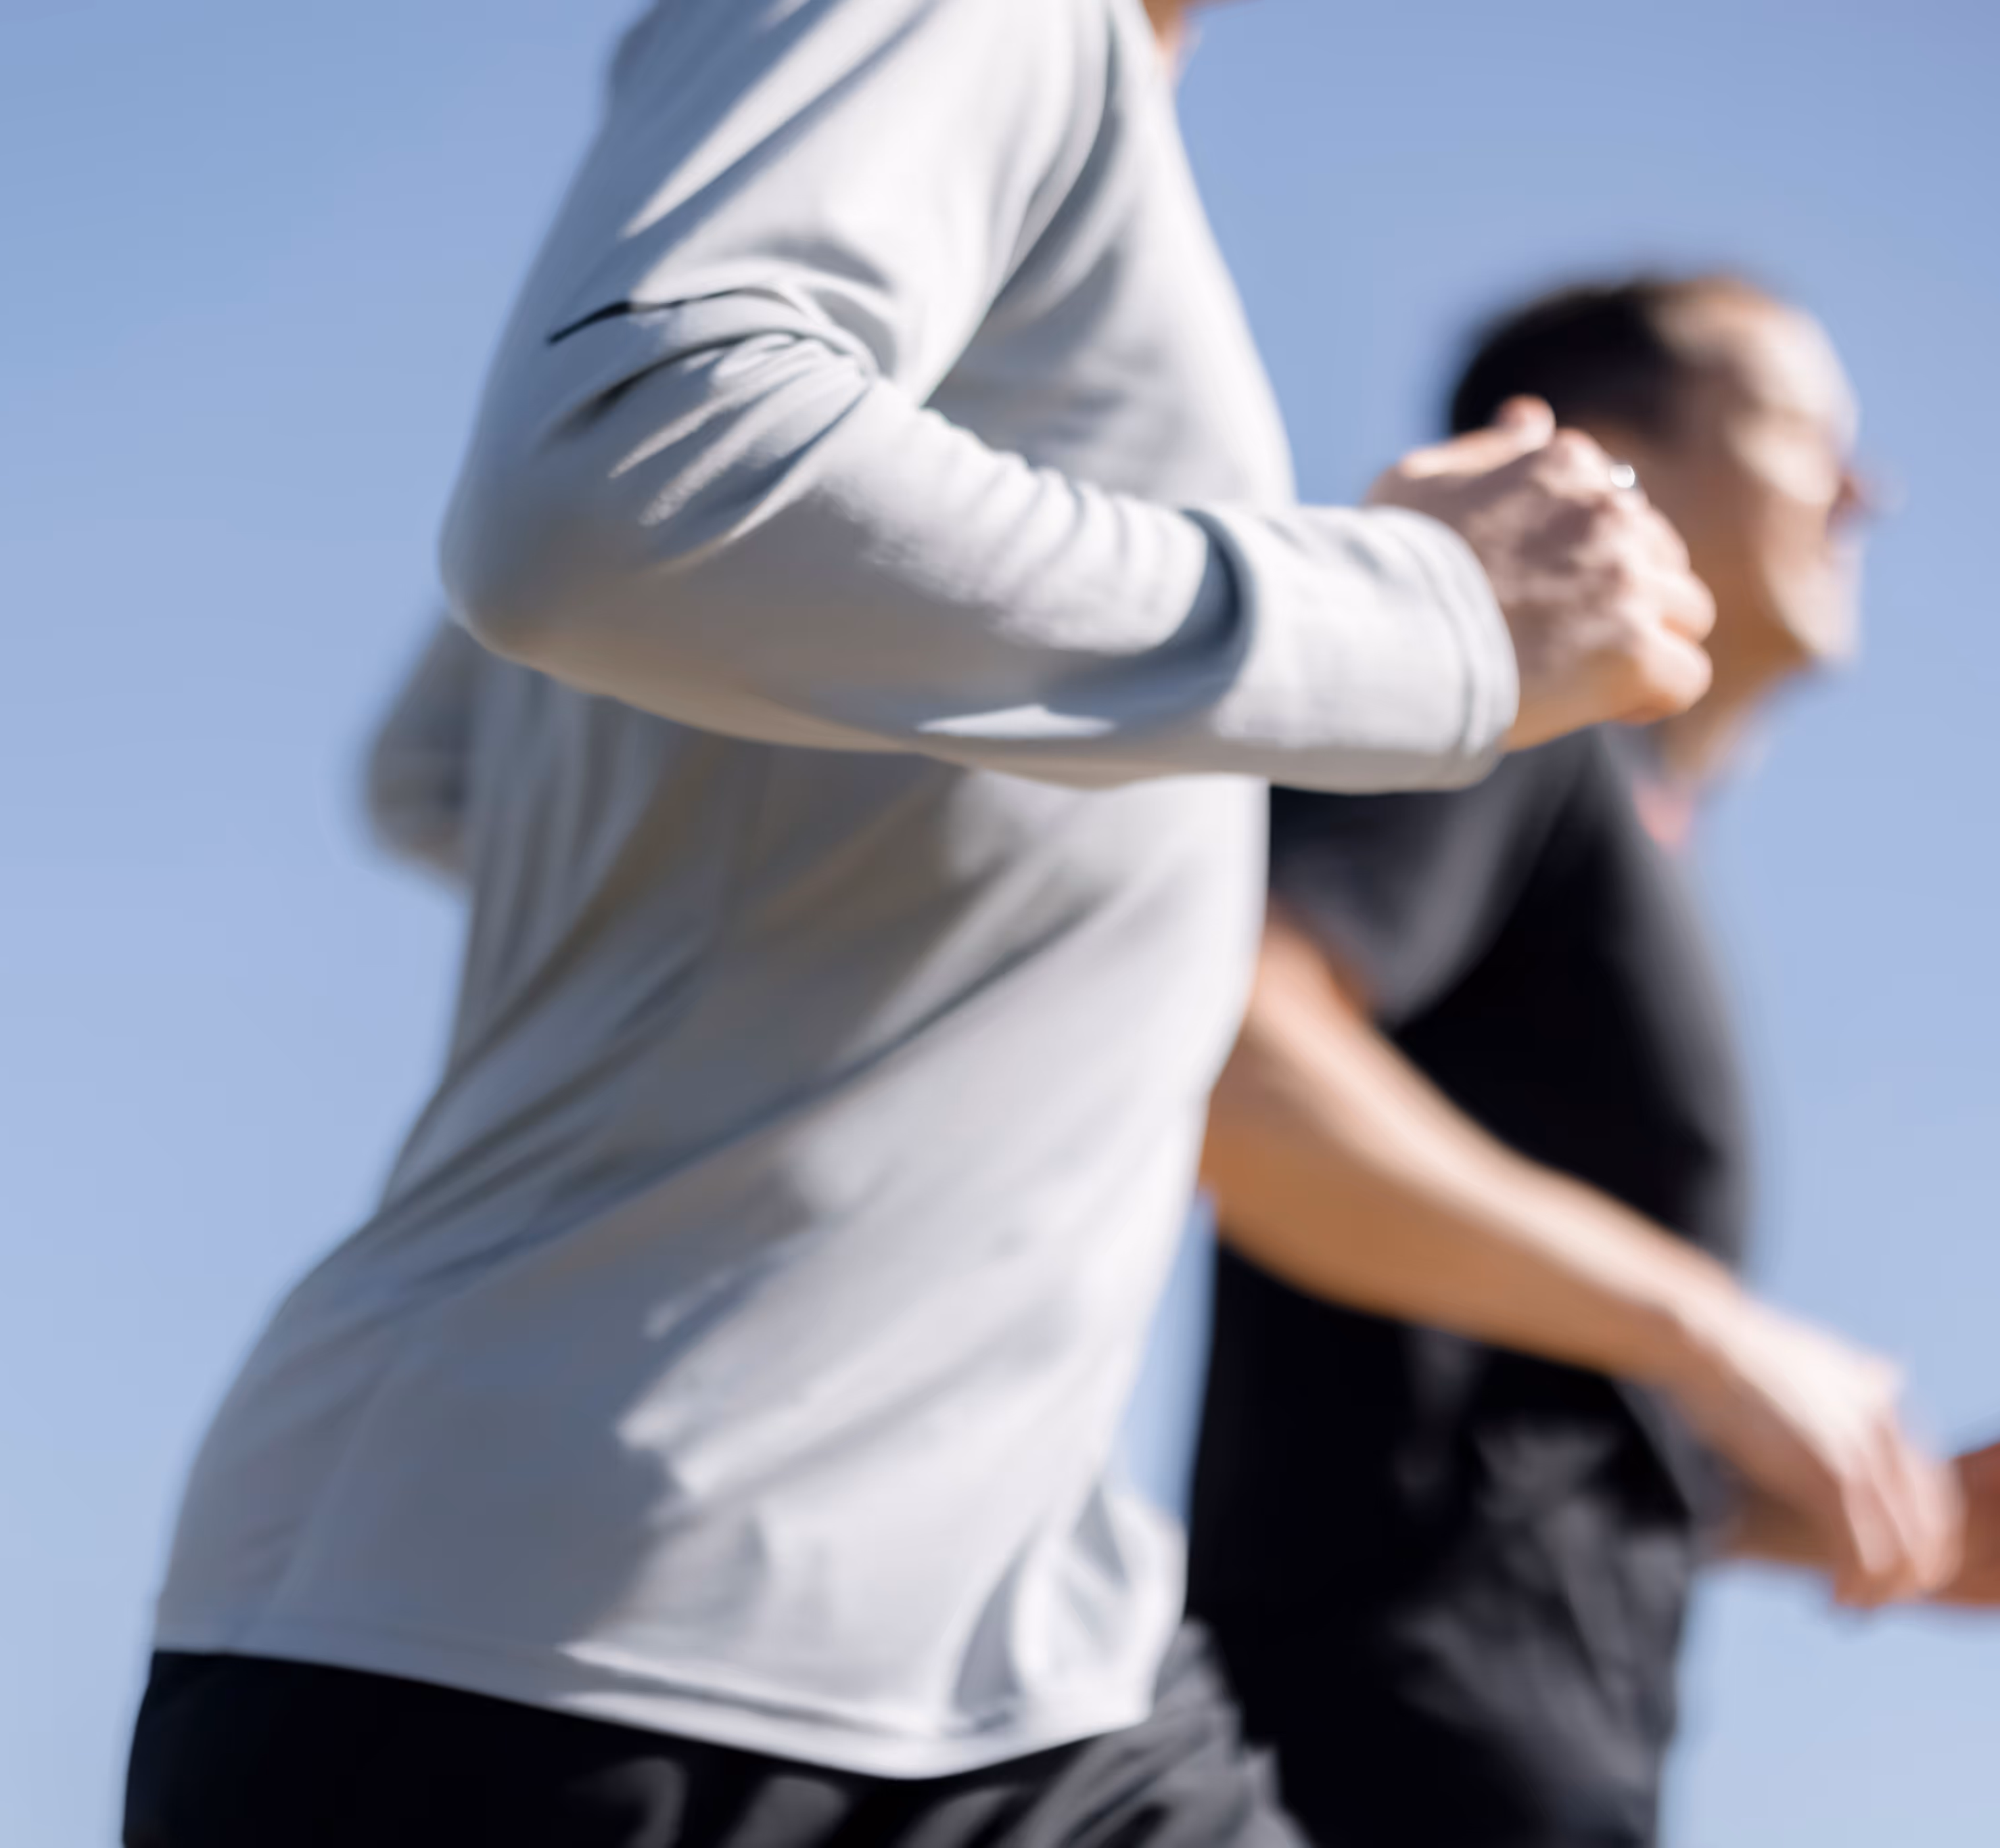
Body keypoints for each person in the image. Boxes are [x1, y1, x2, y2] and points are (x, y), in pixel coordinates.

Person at [124, 2, 1782, 1842]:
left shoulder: (1043, 148)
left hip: (1005, 1653)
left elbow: (435, 765)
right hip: (577, 1635)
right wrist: (1409, 616)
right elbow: (608, 486)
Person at [1190, 275, 2000, 1848]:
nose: (1861, 489)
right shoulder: (1501, 719)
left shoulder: (1613, 817)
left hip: (1513, 1741)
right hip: (1388, 1737)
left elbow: (1504, 1429)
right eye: (1792, 433)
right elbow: (1226, 1056)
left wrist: (1885, 1510)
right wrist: (1714, 1334)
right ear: (1591, 458)